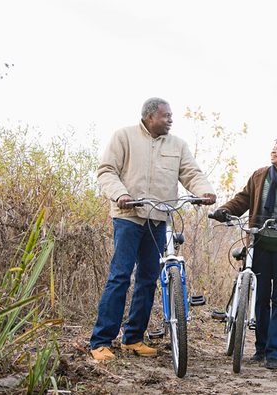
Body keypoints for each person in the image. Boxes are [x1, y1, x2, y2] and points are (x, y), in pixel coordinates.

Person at [90, 97, 217, 361]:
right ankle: (101, 341)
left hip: (158, 218)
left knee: (148, 280)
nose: (171, 120)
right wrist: (120, 194)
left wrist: (204, 191)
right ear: (150, 117)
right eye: (166, 115)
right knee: (120, 276)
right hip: (128, 216)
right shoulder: (123, 137)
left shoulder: (177, 145)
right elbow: (106, 171)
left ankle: (133, 338)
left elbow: (191, 173)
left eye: (171, 116)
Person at [212, 136, 277, 370]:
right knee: (260, 299)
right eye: (273, 147)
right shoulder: (260, 175)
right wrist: (225, 210)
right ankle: (260, 349)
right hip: (258, 246)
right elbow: (243, 199)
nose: (273, 150)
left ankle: (273, 353)